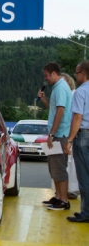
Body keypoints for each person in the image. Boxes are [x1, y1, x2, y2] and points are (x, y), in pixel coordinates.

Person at [38, 62, 72, 210]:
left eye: (46, 75)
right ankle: (58, 197)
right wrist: (44, 99)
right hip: (57, 133)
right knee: (54, 167)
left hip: (60, 134)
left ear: (53, 73)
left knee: (59, 167)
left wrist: (52, 133)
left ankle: (64, 200)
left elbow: (60, 111)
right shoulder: (57, 88)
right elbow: (54, 110)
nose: (45, 79)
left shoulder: (60, 88)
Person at [64, 61, 89, 222]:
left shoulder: (81, 92)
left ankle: (86, 213)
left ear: (84, 74)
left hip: (84, 136)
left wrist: (70, 139)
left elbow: (78, 117)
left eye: (77, 73)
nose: (75, 75)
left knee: (84, 176)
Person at [61, 73, 80, 200]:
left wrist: (70, 138)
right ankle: (67, 190)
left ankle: (73, 189)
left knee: (72, 162)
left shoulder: (75, 94)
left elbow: (75, 116)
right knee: (67, 162)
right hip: (67, 132)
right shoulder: (67, 95)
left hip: (72, 132)